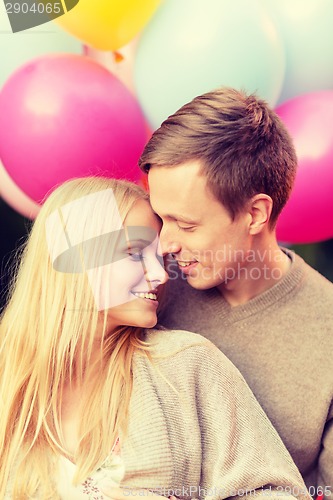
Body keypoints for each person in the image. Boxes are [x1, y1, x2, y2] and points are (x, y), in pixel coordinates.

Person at [0, 176, 311, 499]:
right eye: (135, 253)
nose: (162, 275)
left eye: (159, 257)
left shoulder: (184, 363)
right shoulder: (7, 375)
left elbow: (275, 492)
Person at [138, 87, 333, 500]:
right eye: (160, 219)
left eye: (186, 225)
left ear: (255, 214)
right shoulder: (143, 293)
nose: (166, 243)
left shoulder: (327, 331)